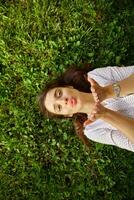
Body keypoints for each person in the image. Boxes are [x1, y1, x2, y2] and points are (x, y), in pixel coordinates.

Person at [39, 65, 134, 152]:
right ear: (68, 115)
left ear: (69, 87)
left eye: (59, 94)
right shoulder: (93, 130)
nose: (64, 101)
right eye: (59, 107)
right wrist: (106, 114)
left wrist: (108, 91)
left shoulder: (95, 77)